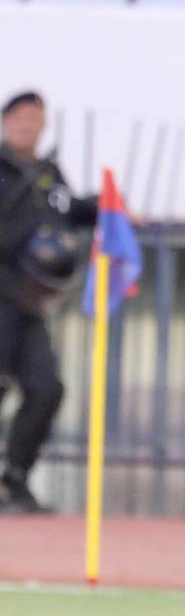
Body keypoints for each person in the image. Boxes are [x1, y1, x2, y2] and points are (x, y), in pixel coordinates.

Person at [0, 90, 97, 514]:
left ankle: (14, 479)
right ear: (6, 122)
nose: (29, 126)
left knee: (46, 388)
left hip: (29, 302)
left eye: (36, 120)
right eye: (21, 118)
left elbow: (69, 209)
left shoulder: (47, 172)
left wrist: (106, 207)